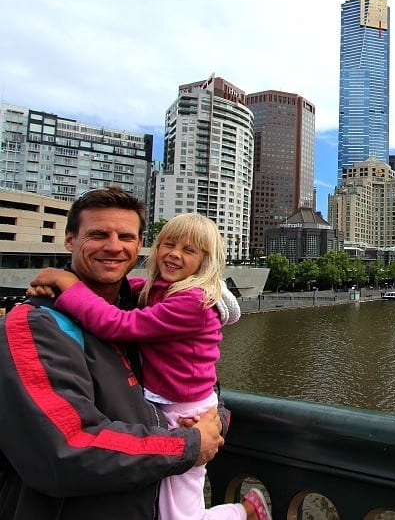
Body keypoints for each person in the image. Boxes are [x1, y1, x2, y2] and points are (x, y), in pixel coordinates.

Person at [0, 186, 226, 520]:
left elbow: (198, 374)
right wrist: (189, 444)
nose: (113, 246)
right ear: (70, 240)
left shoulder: (144, 308)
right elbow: (67, 450)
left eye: (125, 236)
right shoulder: (34, 325)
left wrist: (214, 419)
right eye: (98, 234)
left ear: (138, 245)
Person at [29, 212, 269, 520]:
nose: (174, 254)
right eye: (168, 244)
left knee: (177, 516)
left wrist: (67, 283)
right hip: (165, 403)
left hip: (187, 413)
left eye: (188, 250)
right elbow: (120, 291)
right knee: (157, 499)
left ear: (205, 261)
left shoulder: (191, 303)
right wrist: (59, 288)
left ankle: (247, 511)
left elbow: (118, 324)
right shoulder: (159, 288)